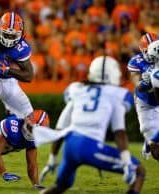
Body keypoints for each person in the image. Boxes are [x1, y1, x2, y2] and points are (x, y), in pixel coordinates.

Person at [38, 56, 145, 194]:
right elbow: (119, 132)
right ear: (113, 74)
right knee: (139, 171)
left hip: (70, 146)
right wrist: (126, 162)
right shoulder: (117, 94)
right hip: (90, 147)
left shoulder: (77, 89)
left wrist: (52, 158)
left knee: (60, 186)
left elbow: (61, 126)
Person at [127, 32, 159, 160]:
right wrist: (146, 81)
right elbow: (137, 85)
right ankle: (149, 142)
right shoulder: (136, 61)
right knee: (156, 152)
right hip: (145, 102)